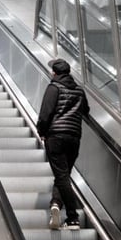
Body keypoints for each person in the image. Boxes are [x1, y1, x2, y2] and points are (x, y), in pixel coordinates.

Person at [36, 58, 90, 230]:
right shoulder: (80, 91)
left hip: (56, 136)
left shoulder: (54, 88)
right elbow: (86, 111)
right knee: (63, 175)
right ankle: (56, 204)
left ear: (54, 72)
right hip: (74, 137)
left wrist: (41, 132)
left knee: (62, 176)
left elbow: (46, 113)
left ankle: (73, 217)